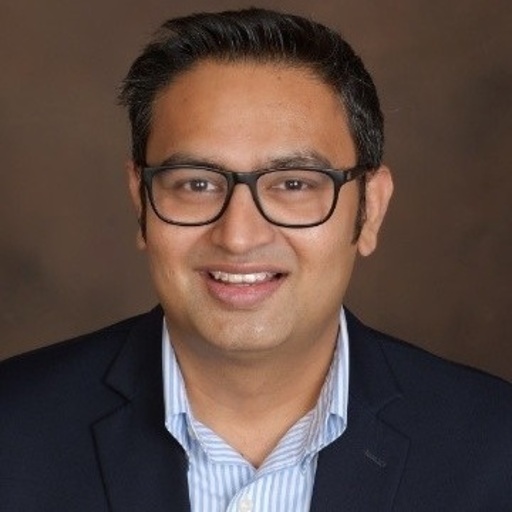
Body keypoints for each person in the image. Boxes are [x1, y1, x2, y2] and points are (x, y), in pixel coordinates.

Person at [1, 8, 511, 512]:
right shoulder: (13, 430)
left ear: (370, 209)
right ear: (142, 202)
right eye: (197, 184)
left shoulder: (495, 447)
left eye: (293, 184)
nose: (239, 237)